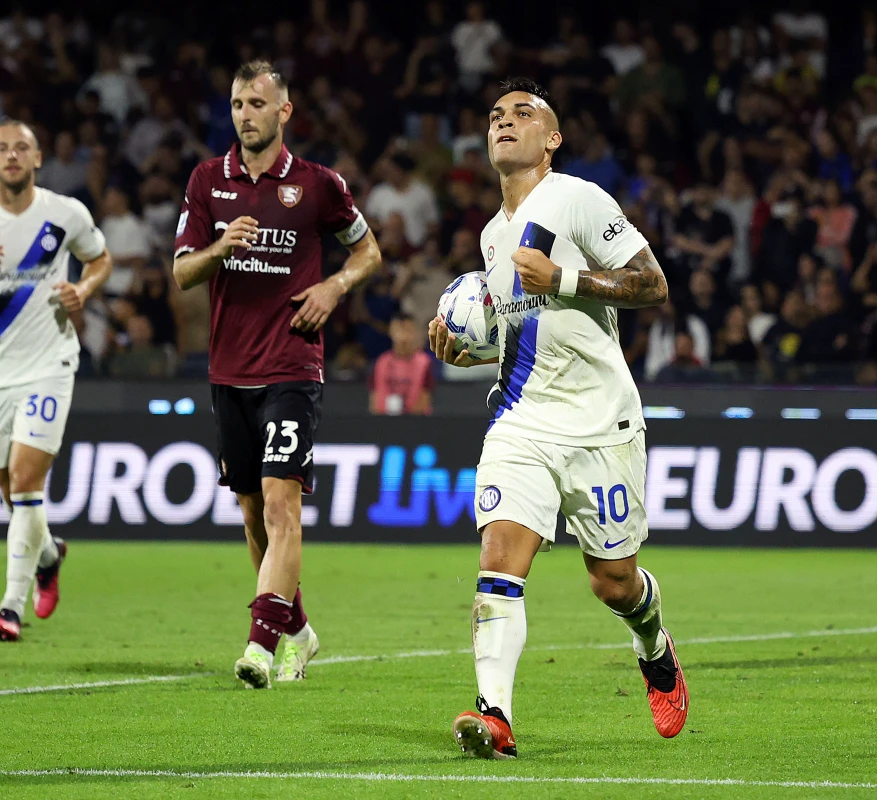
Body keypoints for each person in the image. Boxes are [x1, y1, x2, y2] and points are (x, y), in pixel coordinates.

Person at [428, 78, 687, 759]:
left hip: (601, 424)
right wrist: (467, 351)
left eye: (523, 114)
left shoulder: (574, 197)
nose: (504, 123)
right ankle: (495, 715)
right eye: (494, 116)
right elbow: (521, 333)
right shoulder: (491, 237)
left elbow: (653, 284)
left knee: (614, 583)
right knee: (498, 560)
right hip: (521, 421)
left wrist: (565, 280)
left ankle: (653, 642)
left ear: (553, 138)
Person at [172, 60, 382, 687]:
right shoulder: (209, 181)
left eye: (257, 104)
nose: (245, 115)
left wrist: (334, 287)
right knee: (251, 514)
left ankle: (261, 642)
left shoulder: (319, 185)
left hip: (293, 364)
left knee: (280, 503)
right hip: (229, 367)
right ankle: (300, 630)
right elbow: (182, 272)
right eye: (237, 104)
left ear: (283, 112)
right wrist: (218, 248)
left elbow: (368, 252)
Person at [0, 120, 113, 641]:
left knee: (25, 482)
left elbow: (101, 258)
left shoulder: (65, 213)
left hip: (49, 367)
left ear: (38, 157)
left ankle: (9, 608)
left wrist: (84, 290)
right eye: (2, 149)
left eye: (20, 147)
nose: (11, 156)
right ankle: (48, 555)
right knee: (10, 491)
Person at [369, 314, 434, 415]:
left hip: (416, 423)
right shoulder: (381, 362)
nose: (403, 337)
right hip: (384, 423)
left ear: (415, 333)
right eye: (399, 330)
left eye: (408, 330)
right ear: (390, 331)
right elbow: (374, 401)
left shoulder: (424, 363)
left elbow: (424, 400)